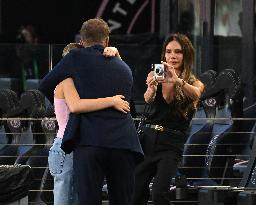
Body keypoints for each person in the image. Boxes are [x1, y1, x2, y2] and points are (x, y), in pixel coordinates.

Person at [38, 18, 143, 205]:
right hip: (124, 143)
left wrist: (71, 95)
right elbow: (130, 105)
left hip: (90, 141)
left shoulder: (75, 58)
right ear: (107, 40)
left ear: (82, 40)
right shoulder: (124, 67)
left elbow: (45, 84)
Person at [48, 43, 129, 205]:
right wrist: (111, 101)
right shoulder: (66, 81)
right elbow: (76, 106)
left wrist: (117, 55)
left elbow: (119, 78)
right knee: (66, 199)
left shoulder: (81, 84)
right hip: (66, 147)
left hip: (76, 145)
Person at [132, 33, 204, 205]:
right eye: (169, 51)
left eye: (178, 52)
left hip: (171, 143)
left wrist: (177, 80)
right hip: (148, 138)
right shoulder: (156, 74)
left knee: (159, 193)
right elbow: (148, 99)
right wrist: (151, 88)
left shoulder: (193, 82)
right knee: (135, 192)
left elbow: (196, 94)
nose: (172, 56)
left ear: (186, 54)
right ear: (164, 55)